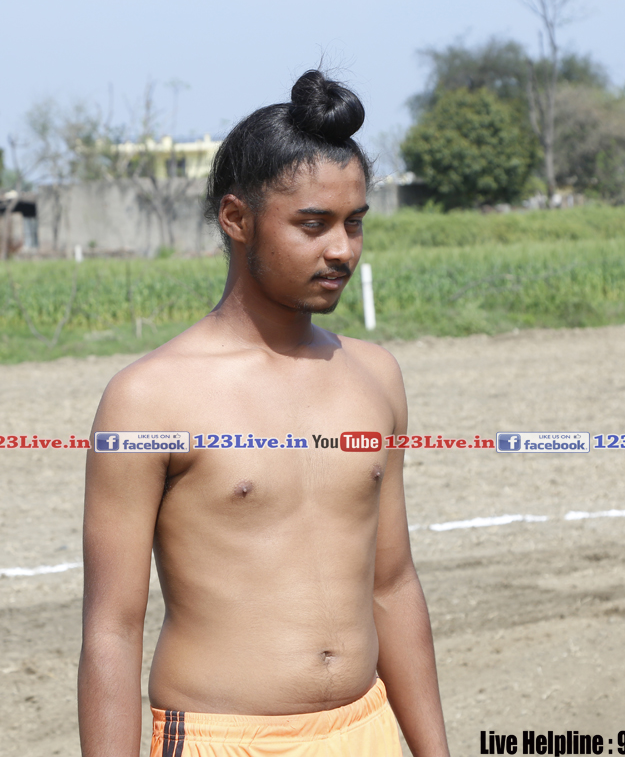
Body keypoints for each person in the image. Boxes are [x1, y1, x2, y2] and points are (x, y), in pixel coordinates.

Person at [78, 69, 449, 757]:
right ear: (237, 219)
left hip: (367, 731)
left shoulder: (376, 377)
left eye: (354, 223)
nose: (342, 249)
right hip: (223, 739)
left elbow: (394, 584)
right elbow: (112, 629)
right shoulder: (148, 398)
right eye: (313, 224)